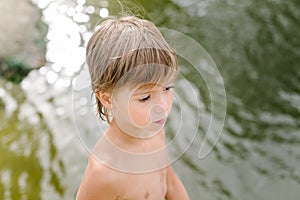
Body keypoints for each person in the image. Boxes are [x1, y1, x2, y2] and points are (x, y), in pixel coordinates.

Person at [76, 16, 190, 200]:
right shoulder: (104, 173)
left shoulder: (154, 132)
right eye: (145, 98)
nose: (162, 107)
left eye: (167, 88)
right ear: (107, 98)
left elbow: (170, 183)